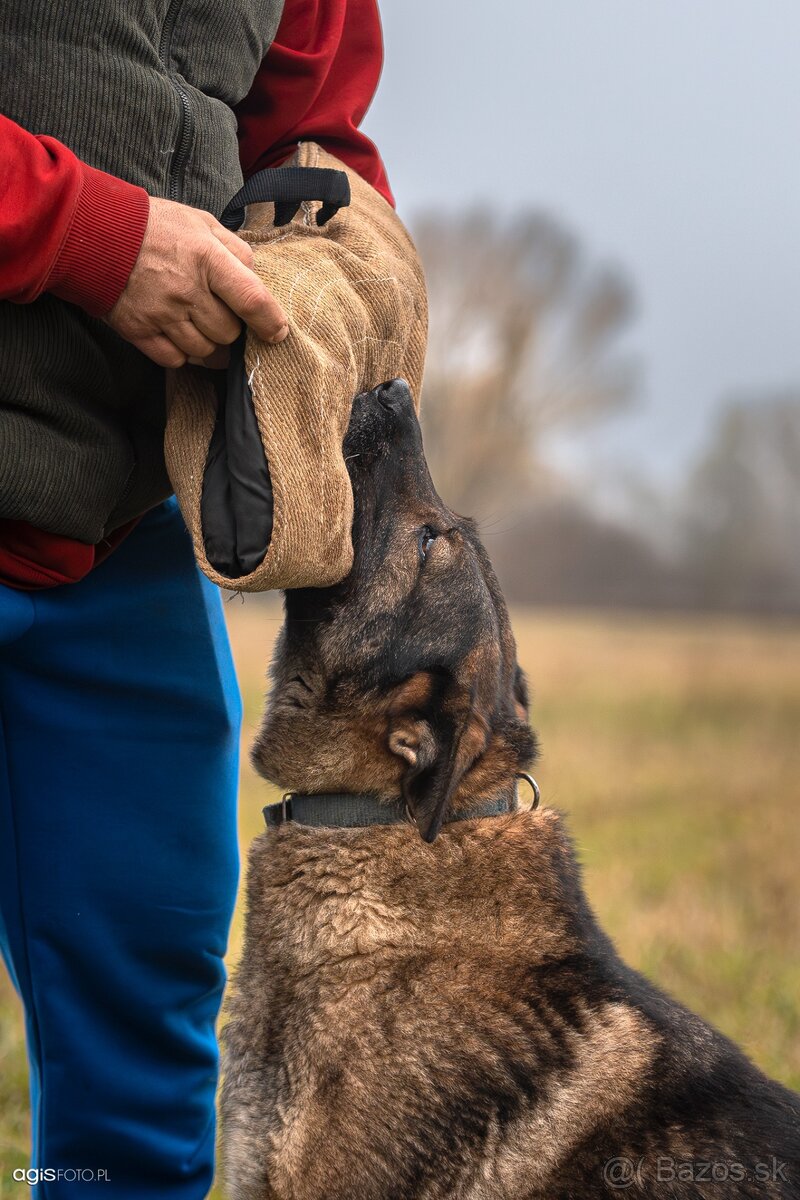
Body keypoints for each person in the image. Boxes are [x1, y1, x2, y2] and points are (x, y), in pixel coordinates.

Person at [0, 2, 393, 1194]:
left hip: (118, 534)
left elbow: (309, 133)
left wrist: (340, 268)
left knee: (146, 1043)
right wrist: (93, 236)